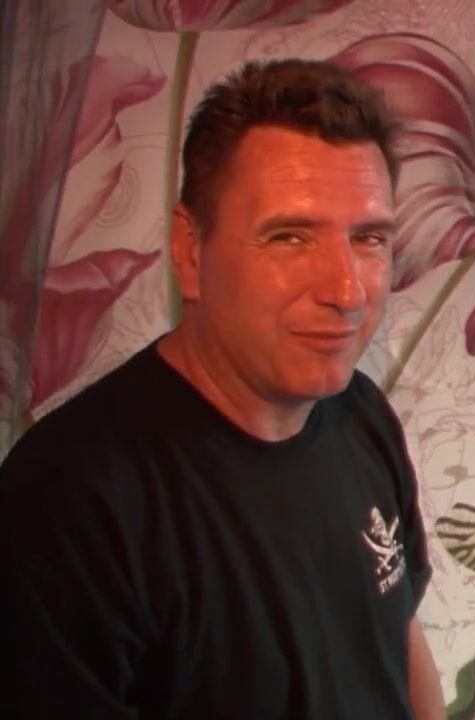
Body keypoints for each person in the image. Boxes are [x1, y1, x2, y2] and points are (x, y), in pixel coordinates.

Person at [0, 59, 447, 719]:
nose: (347, 291)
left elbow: (400, 642)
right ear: (189, 248)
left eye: (369, 238)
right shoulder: (68, 502)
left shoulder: (363, 416)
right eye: (289, 236)